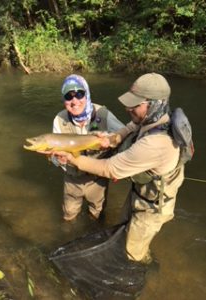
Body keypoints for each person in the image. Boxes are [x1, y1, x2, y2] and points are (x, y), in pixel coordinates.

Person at [52, 73, 185, 263]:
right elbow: (130, 127)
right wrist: (113, 138)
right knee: (122, 230)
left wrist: (73, 159)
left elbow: (110, 169)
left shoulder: (156, 143)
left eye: (135, 104)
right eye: (68, 96)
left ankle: (138, 272)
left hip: (152, 206)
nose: (128, 108)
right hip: (139, 195)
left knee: (132, 252)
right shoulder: (152, 119)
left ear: (155, 104)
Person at [52, 74, 124, 221]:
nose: (74, 101)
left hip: (97, 179)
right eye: (68, 96)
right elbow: (53, 156)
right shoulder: (59, 120)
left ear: (87, 94)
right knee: (69, 215)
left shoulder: (104, 114)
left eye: (79, 94)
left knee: (96, 215)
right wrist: (56, 159)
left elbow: (124, 136)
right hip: (72, 179)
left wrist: (111, 143)